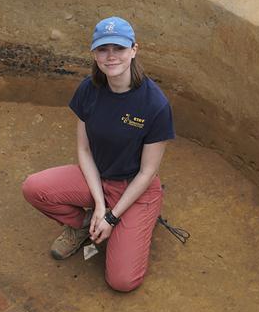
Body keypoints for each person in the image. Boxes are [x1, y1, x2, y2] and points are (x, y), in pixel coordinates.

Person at [22, 16, 174, 292]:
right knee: (34, 188)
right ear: (94, 53)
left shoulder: (155, 104)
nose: (111, 56)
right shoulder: (89, 90)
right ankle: (82, 225)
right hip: (97, 179)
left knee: (122, 281)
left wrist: (113, 217)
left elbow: (147, 171)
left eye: (119, 48)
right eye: (103, 49)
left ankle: (137, 222)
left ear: (134, 50)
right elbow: (84, 149)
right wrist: (100, 209)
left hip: (134, 188)